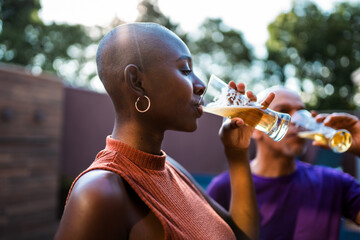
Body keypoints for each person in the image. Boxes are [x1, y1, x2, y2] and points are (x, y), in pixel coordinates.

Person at [55, 22, 275, 240]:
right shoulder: (99, 193)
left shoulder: (169, 168)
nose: (200, 85)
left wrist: (236, 153)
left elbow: (241, 236)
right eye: (185, 70)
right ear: (137, 82)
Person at [206, 86, 360, 240]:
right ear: (255, 128)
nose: (296, 121)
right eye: (283, 111)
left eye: (301, 112)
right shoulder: (224, 187)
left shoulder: (334, 183)